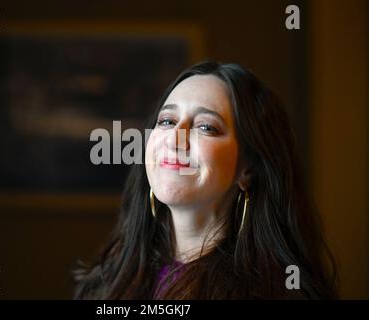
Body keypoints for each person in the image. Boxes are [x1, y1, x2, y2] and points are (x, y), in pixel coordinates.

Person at [72, 61, 338, 299]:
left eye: (205, 127)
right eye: (166, 121)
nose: (175, 137)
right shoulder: (109, 279)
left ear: (247, 169)